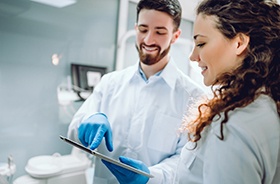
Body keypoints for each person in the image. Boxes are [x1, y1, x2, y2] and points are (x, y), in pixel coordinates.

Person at [102, 0, 280, 183]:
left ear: (239, 43)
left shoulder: (232, 124)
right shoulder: (266, 106)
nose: (193, 56)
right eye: (143, 29)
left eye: (201, 43)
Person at [67, 0, 204, 183]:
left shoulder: (193, 97)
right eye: (143, 29)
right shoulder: (110, 83)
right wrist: (85, 124)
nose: (148, 40)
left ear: (175, 36)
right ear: (136, 28)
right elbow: (73, 132)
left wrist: (151, 177)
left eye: (160, 32)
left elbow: (187, 162)